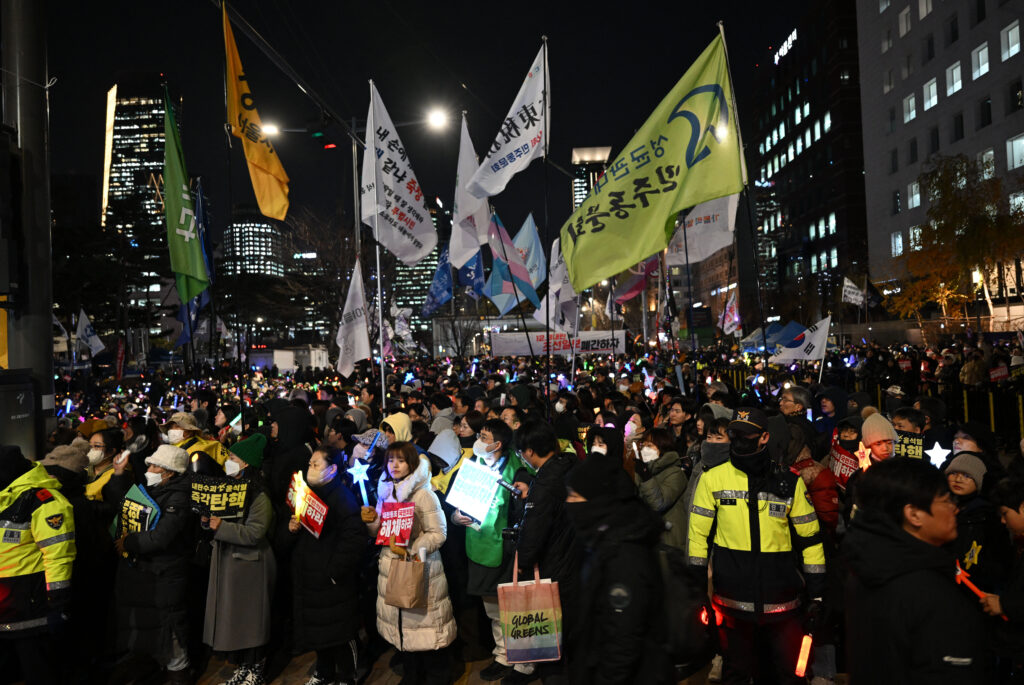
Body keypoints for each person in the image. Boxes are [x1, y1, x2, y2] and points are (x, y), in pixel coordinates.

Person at [688, 408, 826, 684]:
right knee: (736, 675)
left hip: (782, 605)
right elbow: (697, 538)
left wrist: (817, 594)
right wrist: (697, 589)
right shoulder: (712, 479)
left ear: (764, 438)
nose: (739, 440)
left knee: (785, 676)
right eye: (734, 435)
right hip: (731, 605)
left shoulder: (789, 482)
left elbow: (811, 539)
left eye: (746, 435)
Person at [844, 458, 987, 684]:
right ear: (914, 514)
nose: (955, 508)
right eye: (946, 500)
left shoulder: (869, 567)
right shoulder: (929, 591)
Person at [564, 450, 673, 684]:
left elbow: (624, 637)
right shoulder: (606, 535)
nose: (569, 503)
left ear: (597, 498)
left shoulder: (624, 553)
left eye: (575, 496)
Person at [361, 442, 455, 684]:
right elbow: (382, 532)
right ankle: (413, 674)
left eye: (401, 460)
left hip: (420, 569)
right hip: (393, 567)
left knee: (425, 627)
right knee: (404, 628)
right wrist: (371, 522)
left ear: (412, 464)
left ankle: (436, 676)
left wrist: (411, 549)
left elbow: (438, 533)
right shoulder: (386, 491)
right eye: (391, 460)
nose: (395, 465)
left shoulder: (423, 494)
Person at [450, 419, 528, 682]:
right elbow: (456, 502)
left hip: (506, 548)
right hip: (477, 544)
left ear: (499, 444)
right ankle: (501, 654)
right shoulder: (474, 465)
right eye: (480, 436)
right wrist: (456, 516)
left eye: (484, 437)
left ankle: (517, 659)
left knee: (511, 607)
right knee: (492, 608)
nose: (479, 441)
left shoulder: (517, 470)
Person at [110, 444, 195, 685]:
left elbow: (161, 537)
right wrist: (118, 475)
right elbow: (122, 504)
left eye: (156, 465)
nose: (150, 468)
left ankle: (179, 673)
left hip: (166, 572)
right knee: (149, 626)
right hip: (147, 572)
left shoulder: (179, 496)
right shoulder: (153, 488)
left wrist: (130, 542)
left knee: (169, 626)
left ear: (171, 472)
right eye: (149, 464)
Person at [285, 447, 367, 685]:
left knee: (340, 633)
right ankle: (324, 672)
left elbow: (353, 540)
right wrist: (291, 529)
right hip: (309, 577)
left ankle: (346, 676)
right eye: (309, 464)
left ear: (332, 470)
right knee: (318, 631)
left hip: (331, 581)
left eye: (316, 465)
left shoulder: (342, 498)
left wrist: (333, 573)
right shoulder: (306, 494)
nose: (310, 469)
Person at [202, 434, 276, 685]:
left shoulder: (259, 496)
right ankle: (244, 667)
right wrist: (208, 523)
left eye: (232, 457)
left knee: (252, 622)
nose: (227, 461)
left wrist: (221, 526)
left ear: (245, 464)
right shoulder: (228, 487)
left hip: (251, 565)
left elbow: (255, 533)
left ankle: (256, 670)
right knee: (239, 622)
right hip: (232, 564)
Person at [511, 420, 582, 684]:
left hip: (556, 567)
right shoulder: (571, 467)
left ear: (529, 451)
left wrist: (523, 563)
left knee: (553, 641)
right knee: (573, 635)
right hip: (578, 561)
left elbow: (534, 533)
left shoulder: (544, 484)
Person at [0, 446, 76, 685]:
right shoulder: (6, 493)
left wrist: (57, 599)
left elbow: (58, 554)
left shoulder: (46, 501)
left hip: (29, 603)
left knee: (37, 668)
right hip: (6, 602)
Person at [943, 453, 1011, 593]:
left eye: (967, 476)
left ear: (979, 481)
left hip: (974, 589)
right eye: (954, 473)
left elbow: (1000, 561)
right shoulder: (938, 506)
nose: (958, 479)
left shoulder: (988, 515)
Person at [633, 427, 688, 550]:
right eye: (643, 445)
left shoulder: (675, 473)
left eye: (650, 445)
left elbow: (658, 503)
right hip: (651, 539)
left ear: (662, 448)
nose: (645, 449)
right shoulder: (645, 469)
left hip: (670, 542)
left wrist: (646, 477)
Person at [84, 426, 125, 500]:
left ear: (111, 451)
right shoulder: (83, 469)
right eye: (90, 446)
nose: (91, 450)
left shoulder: (117, 476)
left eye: (97, 446)